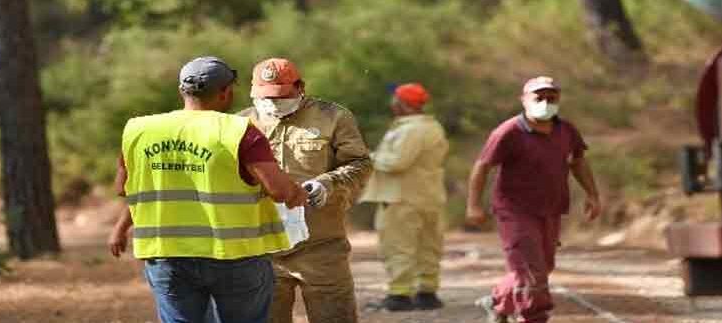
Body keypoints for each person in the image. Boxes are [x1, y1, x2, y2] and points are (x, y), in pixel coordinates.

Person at [108, 56, 309, 323]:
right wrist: (301, 193)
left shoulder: (138, 130)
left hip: (166, 255)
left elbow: (123, 187)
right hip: (235, 256)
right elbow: (280, 191)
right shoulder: (240, 132)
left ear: (181, 90)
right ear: (226, 92)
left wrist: (121, 227)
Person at [238, 58, 373, 323]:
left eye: (281, 96)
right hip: (262, 249)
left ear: (300, 87)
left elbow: (360, 163)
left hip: (321, 246)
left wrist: (329, 182)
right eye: (265, 97)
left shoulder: (333, 117)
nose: (273, 103)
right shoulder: (240, 123)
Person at [465, 76, 602, 323]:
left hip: (550, 209)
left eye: (551, 98)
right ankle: (534, 317)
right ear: (524, 100)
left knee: (541, 267)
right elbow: (482, 167)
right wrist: (473, 205)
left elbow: (578, 161)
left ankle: (498, 301)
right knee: (531, 271)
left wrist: (593, 194)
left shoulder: (566, 130)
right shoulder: (508, 132)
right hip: (515, 210)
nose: (545, 102)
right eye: (539, 97)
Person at [359, 83, 450, 311]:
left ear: (402, 103)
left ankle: (399, 295)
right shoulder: (433, 127)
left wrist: (367, 157)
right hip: (429, 196)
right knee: (428, 245)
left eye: (395, 99)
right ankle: (427, 292)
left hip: (401, 198)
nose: (392, 103)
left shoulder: (410, 130)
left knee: (399, 246)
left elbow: (397, 162)